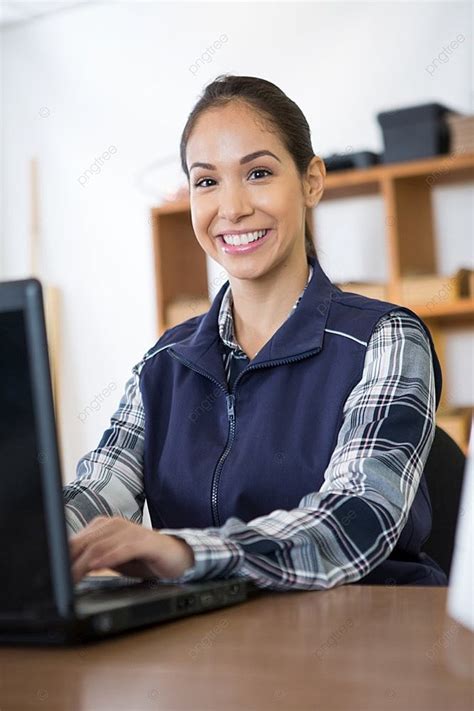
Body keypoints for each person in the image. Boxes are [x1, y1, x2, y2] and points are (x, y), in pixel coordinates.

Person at [65, 74, 447, 589]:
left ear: (312, 180)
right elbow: (96, 492)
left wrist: (185, 552)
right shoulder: (165, 362)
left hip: (367, 644)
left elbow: (355, 520)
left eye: (259, 173)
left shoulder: (386, 339)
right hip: (219, 652)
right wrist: (34, 542)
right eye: (207, 181)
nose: (233, 208)